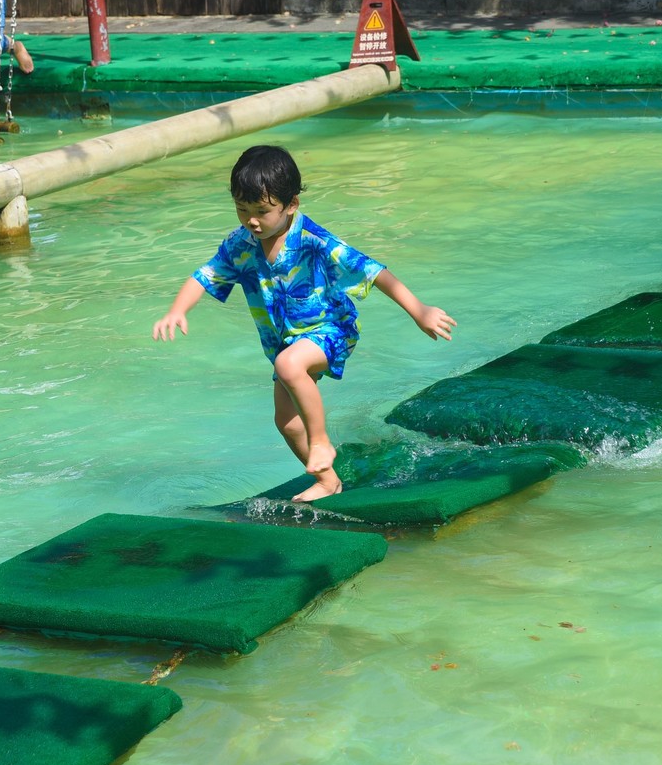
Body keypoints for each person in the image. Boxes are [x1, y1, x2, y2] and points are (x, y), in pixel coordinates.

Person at [152, 145, 457, 502]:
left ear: (291, 204)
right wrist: (178, 310)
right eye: (242, 209)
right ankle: (329, 480)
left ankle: (322, 442)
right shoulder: (240, 244)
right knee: (285, 420)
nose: (251, 220)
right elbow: (204, 276)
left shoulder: (313, 241)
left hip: (332, 330)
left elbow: (373, 271)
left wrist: (418, 310)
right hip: (286, 342)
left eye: (262, 211)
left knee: (289, 364)